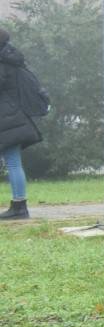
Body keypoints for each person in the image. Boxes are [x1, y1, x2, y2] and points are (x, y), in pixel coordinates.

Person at [0, 28, 39, 220]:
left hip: (5, 119)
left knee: (13, 163)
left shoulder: (2, 63)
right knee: (14, 163)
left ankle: (19, 208)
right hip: (13, 116)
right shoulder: (10, 58)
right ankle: (19, 206)